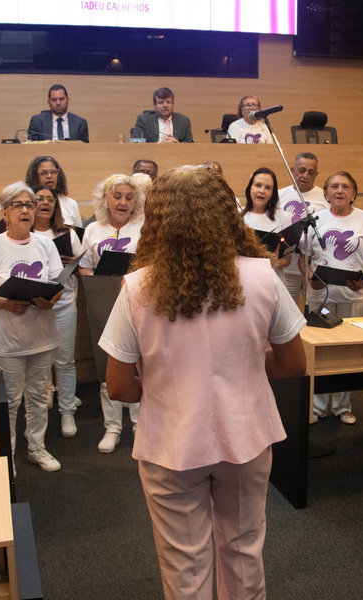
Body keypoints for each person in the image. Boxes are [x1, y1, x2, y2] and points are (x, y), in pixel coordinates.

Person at [98, 165, 306, 600]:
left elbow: (117, 386)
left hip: (170, 443)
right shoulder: (263, 276)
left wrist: (161, 389)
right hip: (247, 437)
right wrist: (247, 367)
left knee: (184, 567)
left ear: (157, 220)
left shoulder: (137, 287)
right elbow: (292, 364)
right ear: (228, 213)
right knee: (244, 553)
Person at [0, 182, 64, 472]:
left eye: (29, 205)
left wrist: (50, 300)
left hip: (41, 336)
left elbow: (58, 285)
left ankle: (37, 448)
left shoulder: (45, 244)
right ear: (5, 213)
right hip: (7, 340)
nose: (25, 210)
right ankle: (7, 455)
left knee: (38, 397)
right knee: (10, 401)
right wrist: (5, 303)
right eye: (18, 205)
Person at [299, 171, 363, 425]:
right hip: (320, 297)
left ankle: (343, 406)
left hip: (352, 297)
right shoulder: (315, 219)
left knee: (348, 351)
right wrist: (310, 276)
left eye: (345, 186)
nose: (340, 190)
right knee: (320, 351)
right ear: (325, 193)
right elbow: (303, 258)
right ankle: (318, 406)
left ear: (353, 194)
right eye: (334, 186)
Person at [80, 175, 145, 453]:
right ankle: (112, 427)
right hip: (104, 302)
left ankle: (140, 424)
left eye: (129, 197)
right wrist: (97, 281)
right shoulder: (93, 230)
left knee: (139, 362)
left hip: (137, 302)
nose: (123, 202)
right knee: (108, 362)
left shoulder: (144, 227)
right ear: (105, 199)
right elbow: (84, 266)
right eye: (117, 196)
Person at [31, 184, 83, 437]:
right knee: (38, 363)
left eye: (50, 199)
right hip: (33, 307)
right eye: (39, 198)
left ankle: (67, 412)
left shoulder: (68, 233)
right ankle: (39, 414)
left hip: (63, 303)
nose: (45, 202)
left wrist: (71, 264)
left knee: (65, 360)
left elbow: (82, 267)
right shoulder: (24, 234)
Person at [278, 152, 329, 303]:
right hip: (286, 270)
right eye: (301, 171)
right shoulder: (279, 195)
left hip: (314, 270)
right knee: (285, 311)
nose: (305, 176)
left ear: (316, 174)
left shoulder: (325, 198)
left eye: (311, 172)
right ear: (292, 170)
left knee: (317, 312)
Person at [241, 167, 293, 283]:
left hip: (272, 281)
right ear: (250, 188)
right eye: (258, 185)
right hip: (245, 280)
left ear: (272, 193)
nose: (262, 191)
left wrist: (275, 261)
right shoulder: (238, 215)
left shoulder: (283, 217)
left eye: (268, 187)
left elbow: (288, 259)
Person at [25, 155, 82, 228]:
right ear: (35, 177)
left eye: (53, 172)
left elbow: (78, 232)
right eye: (43, 173)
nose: (49, 176)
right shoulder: (27, 204)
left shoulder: (70, 204)